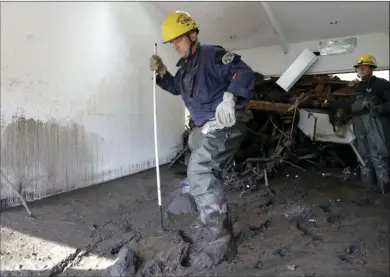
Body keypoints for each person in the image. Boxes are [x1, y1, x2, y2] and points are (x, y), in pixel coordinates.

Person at [149, 11, 255, 268]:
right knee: (198, 157)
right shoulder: (185, 69)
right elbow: (177, 88)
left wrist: (230, 97)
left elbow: (243, 72)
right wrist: (162, 72)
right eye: (172, 42)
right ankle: (210, 218)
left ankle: (222, 244)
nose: (176, 46)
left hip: (224, 123)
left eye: (179, 40)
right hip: (203, 129)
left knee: (200, 170)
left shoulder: (211, 55)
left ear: (193, 35)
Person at [328, 54, 389, 194]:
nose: (360, 70)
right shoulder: (357, 88)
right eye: (359, 68)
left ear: (371, 68)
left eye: (364, 67)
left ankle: (384, 191)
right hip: (360, 126)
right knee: (363, 156)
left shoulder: (381, 84)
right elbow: (351, 106)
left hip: (375, 126)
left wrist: (381, 109)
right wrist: (331, 103)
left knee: (378, 156)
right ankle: (368, 190)